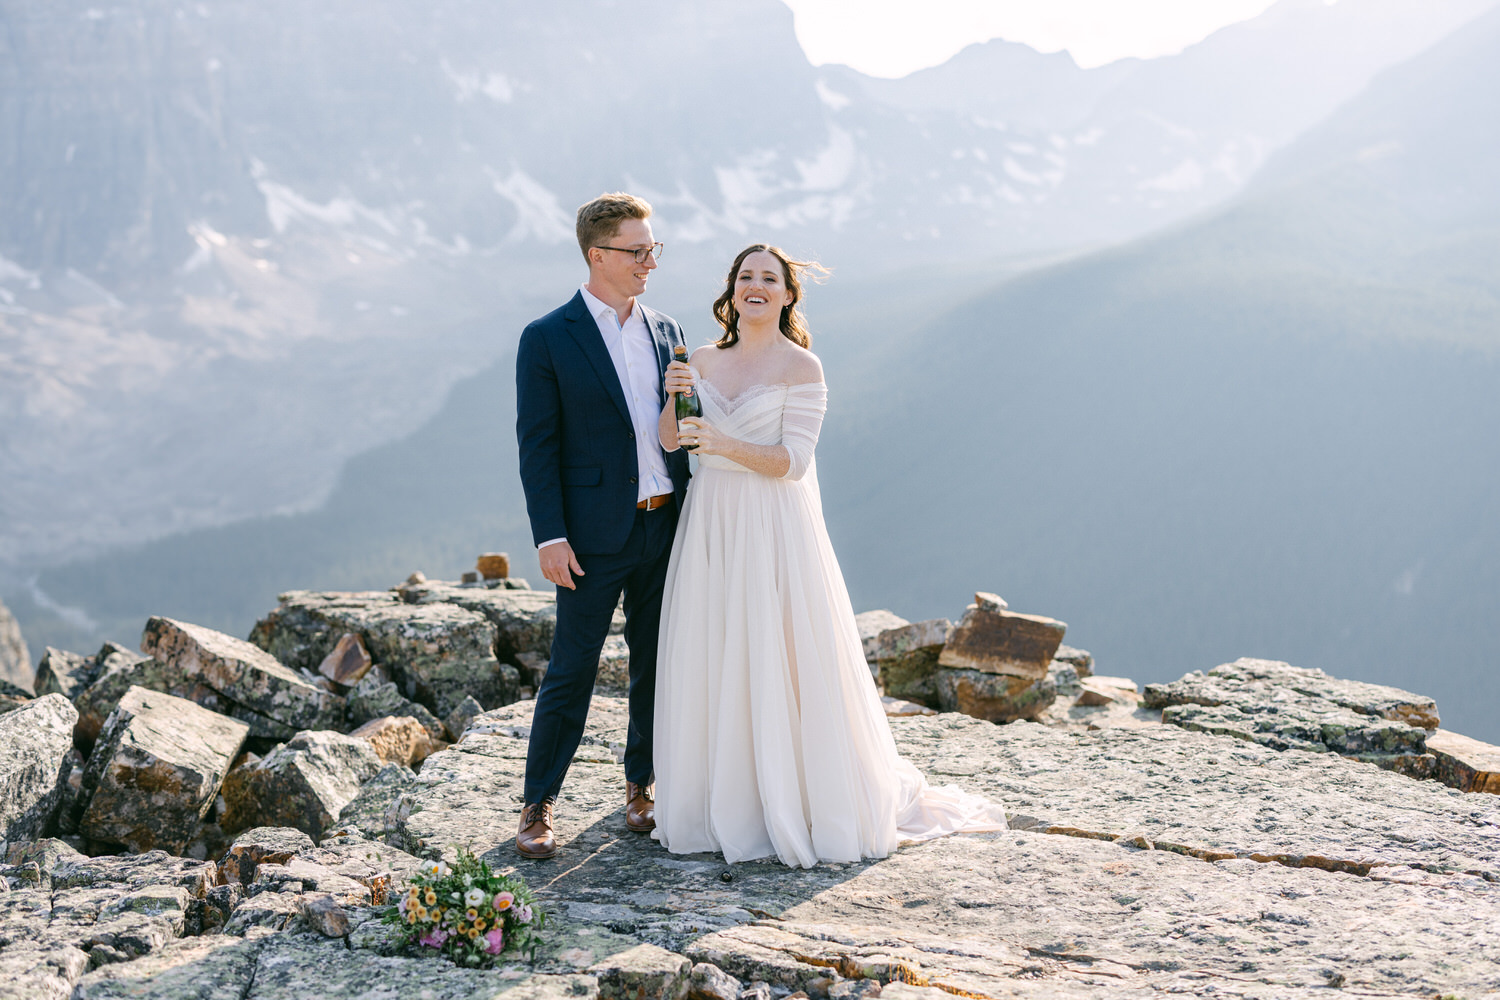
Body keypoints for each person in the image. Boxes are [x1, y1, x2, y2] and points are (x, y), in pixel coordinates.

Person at [651, 244, 1007, 868]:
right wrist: (674, 394)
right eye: (745, 277)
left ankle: (791, 798)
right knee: (715, 650)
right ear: (731, 291)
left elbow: (793, 464)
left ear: (788, 295)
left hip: (772, 528)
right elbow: (673, 441)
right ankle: (725, 800)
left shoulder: (802, 368)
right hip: (711, 525)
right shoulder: (700, 359)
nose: (755, 285)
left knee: (778, 653)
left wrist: (724, 442)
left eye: (769, 278)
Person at [513, 192, 690, 859]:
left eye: (654, 249)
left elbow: (680, 429)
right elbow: (539, 444)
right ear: (598, 254)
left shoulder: (668, 330)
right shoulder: (548, 337)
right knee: (572, 668)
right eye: (637, 250)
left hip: (665, 525)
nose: (651, 261)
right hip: (588, 537)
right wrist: (549, 535)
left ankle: (641, 787)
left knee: (655, 663)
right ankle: (538, 805)